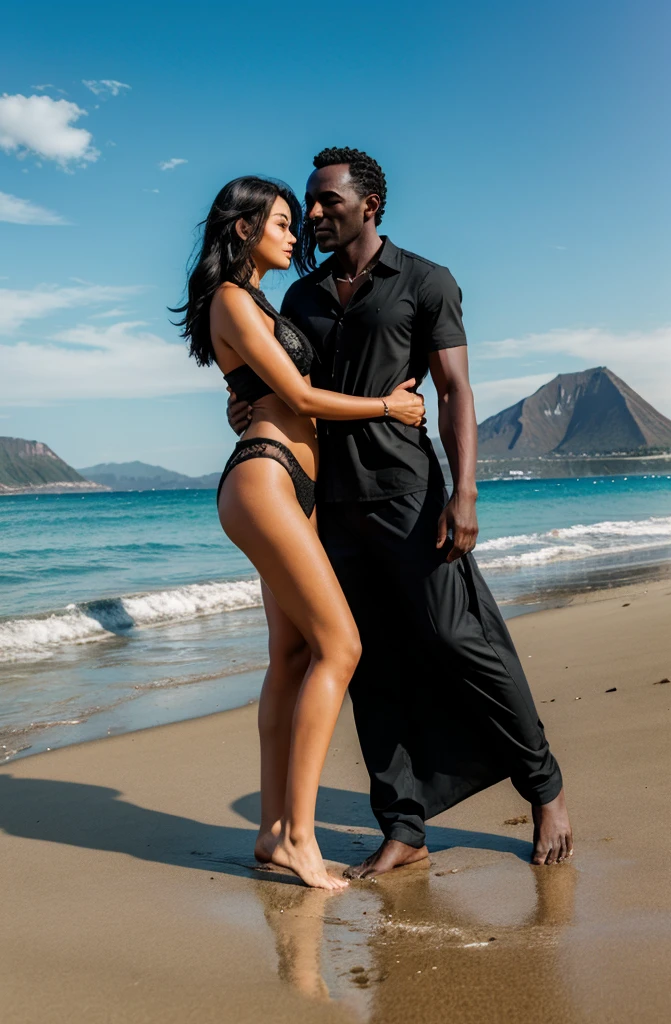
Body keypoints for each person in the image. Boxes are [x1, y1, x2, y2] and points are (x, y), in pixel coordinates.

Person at [228, 149, 574, 877]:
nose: (314, 214)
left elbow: (456, 392)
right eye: (309, 205)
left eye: (326, 201)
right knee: (370, 666)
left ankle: (543, 788)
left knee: (462, 639)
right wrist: (245, 405)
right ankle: (405, 828)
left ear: (370, 204)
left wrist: (465, 490)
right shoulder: (303, 298)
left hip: (410, 495)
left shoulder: (426, 281)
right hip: (327, 505)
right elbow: (290, 389)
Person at [173, 176, 424, 890]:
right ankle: (300, 839)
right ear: (244, 229)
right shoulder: (231, 298)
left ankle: (269, 833)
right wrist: (389, 407)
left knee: (290, 656)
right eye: (281, 221)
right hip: (265, 477)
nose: (296, 231)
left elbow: (267, 387)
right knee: (341, 645)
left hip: (292, 484)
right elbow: (302, 396)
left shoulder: (255, 302)